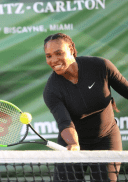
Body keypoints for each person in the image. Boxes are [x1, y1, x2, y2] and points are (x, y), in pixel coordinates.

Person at [43, 33, 125, 182]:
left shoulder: (101, 67)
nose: (54, 60)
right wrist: (73, 143)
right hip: (71, 144)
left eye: (59, 53)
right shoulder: (51, 90)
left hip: (107, 139)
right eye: (48, 56)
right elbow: (65, 123)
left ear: (72, 49)